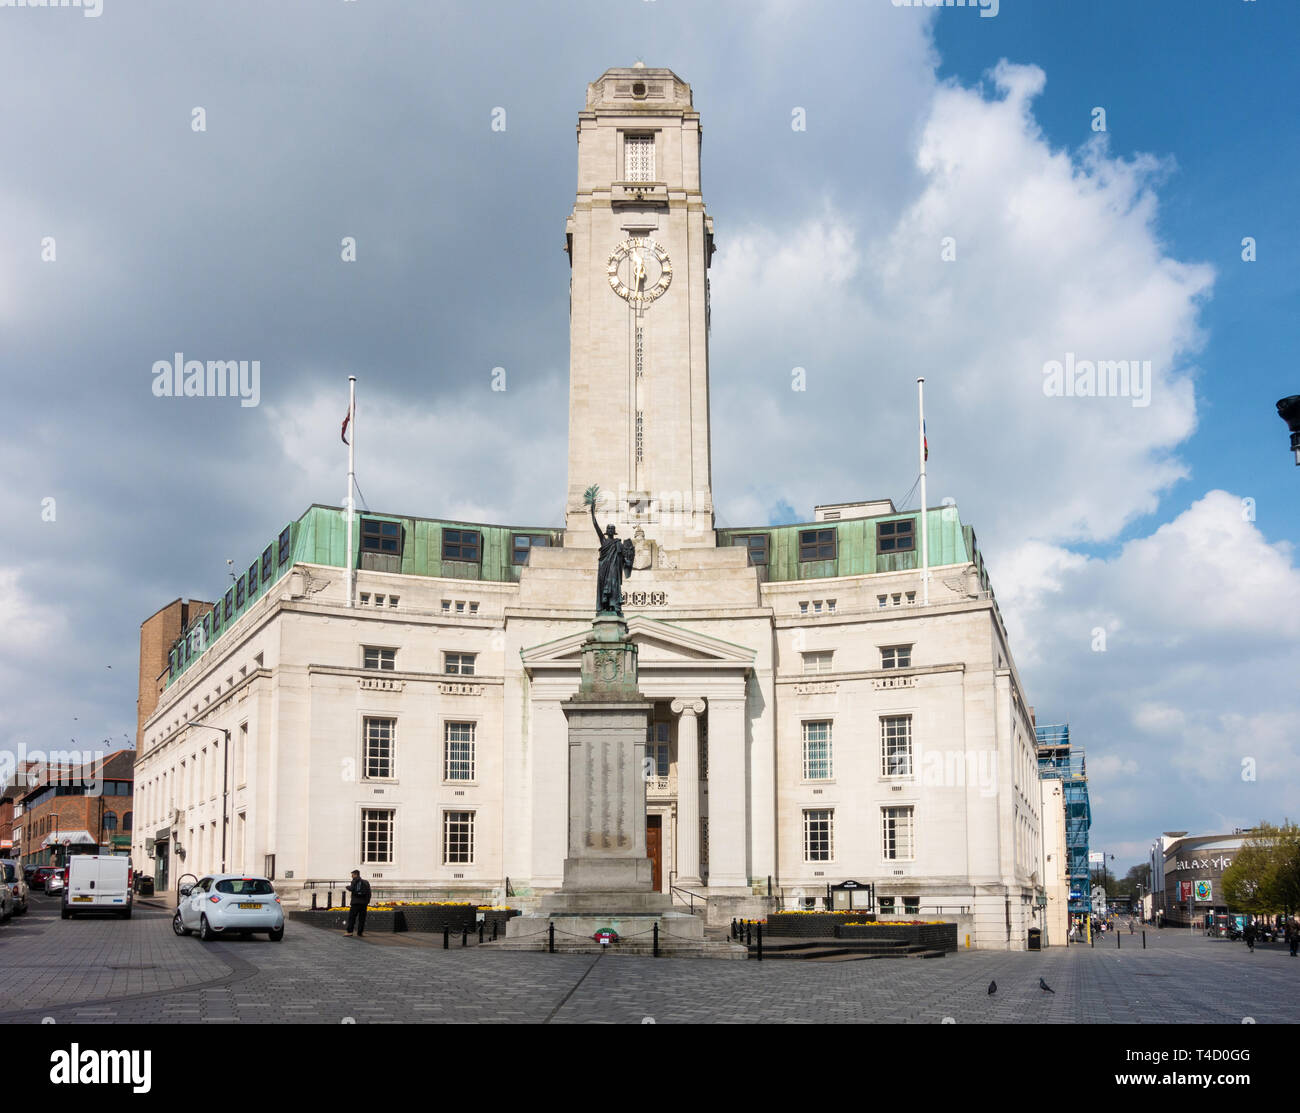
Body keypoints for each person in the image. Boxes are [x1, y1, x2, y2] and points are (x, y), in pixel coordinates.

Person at [345, 869, 371, 938]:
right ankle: (360, 933)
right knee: (362, 919)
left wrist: (347, 887)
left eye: (352, 874)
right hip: (363, 904)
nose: (351, 876)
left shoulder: (354, 881)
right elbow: (369, 893)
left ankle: (349, 932)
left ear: (356, 874)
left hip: (355, 903)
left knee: (352, 918)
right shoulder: (366, 882)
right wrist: (367, 902)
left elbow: (351, 889)